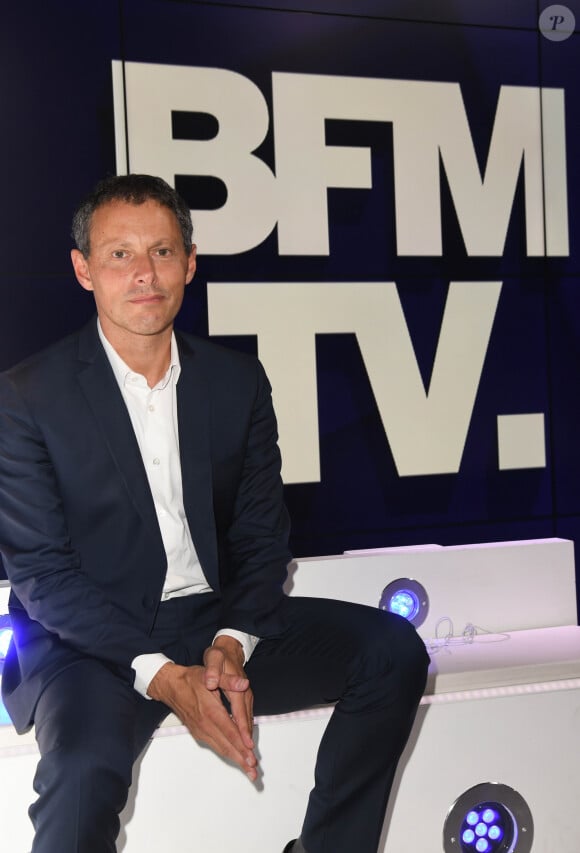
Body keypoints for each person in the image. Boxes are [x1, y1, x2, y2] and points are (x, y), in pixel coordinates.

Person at [0, 174, 429, 853]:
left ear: (189, 263)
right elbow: (43, 577)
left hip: (211, 621)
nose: (145, 273)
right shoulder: (26, 397)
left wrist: (229, 645)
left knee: (390, 651)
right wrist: (168, 679)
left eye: (163, 252)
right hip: (87, 645)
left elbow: (262, 536)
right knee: (81, 774)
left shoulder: (236, 381)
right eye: (120, 255)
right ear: (84, 269)